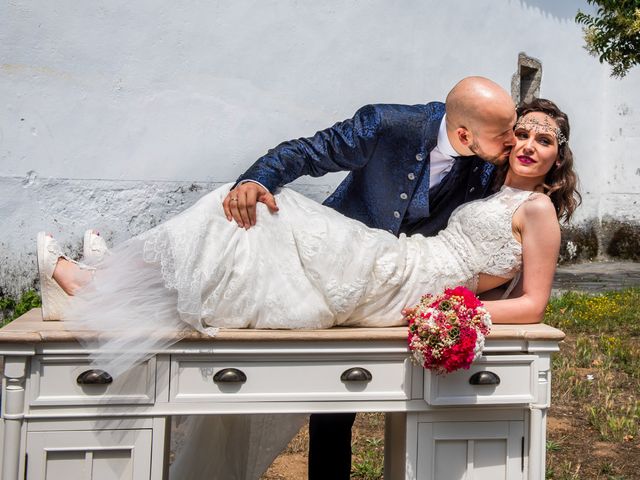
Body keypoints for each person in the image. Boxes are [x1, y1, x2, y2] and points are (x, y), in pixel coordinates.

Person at [37, 97, 579, 480]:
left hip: (408, 283)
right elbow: (307, 151)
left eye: (540, 138)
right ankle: (115, 279)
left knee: (265, 258)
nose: (521, 143)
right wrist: (258, 179)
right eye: (517, 134)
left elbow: (531, 299)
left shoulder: (528, 203)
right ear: (472, 135)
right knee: (254, 212)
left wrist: (461, 314)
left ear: (560, 154)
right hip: (383, 259)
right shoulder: (411, 134)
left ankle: (107, 280)